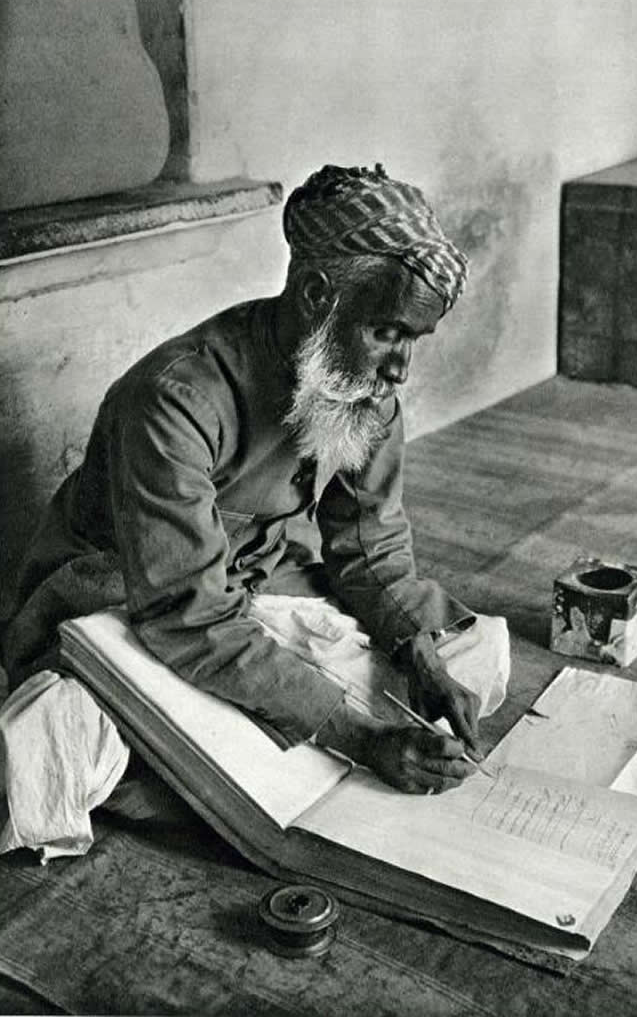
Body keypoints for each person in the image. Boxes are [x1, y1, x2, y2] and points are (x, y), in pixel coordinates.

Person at [1, 164, 485, 798]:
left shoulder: (369, 390)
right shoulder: (174, 401)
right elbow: (186, 612)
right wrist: (362, 739)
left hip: (258, 587)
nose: (400, 367)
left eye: (414, 339)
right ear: (316, 296)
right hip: (128, 601)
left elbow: (370, 548)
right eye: (385, 332)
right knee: (65, 749)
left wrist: (417, 651)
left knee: (469, 657)